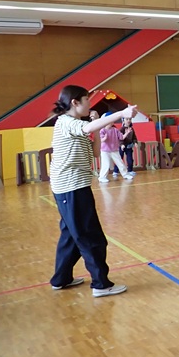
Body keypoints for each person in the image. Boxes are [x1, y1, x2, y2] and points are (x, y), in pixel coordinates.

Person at [48, 85, 134, 297]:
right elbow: (86, 129)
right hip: (72, 188)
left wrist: (95, 127)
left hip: (72, 187)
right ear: (75, 102)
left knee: (70, 236)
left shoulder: (78, 125)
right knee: (90, 236)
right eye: (87, 99)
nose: (90, 104)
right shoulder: (66, 122)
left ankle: (61, 279)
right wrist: (121, 114)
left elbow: (96, 152)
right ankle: (101, 284)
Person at [97, 115, 133, 183]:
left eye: (112, 121)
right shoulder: (102, 130)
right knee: (106, 164)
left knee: (120, 163)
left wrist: (127, 133)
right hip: (105, 151)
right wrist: (104, 138)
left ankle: (125, 174)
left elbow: (121, 137)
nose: (111, 122)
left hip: (114, 150)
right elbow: (100, 140)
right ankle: (102, 177)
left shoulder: (115, 130)